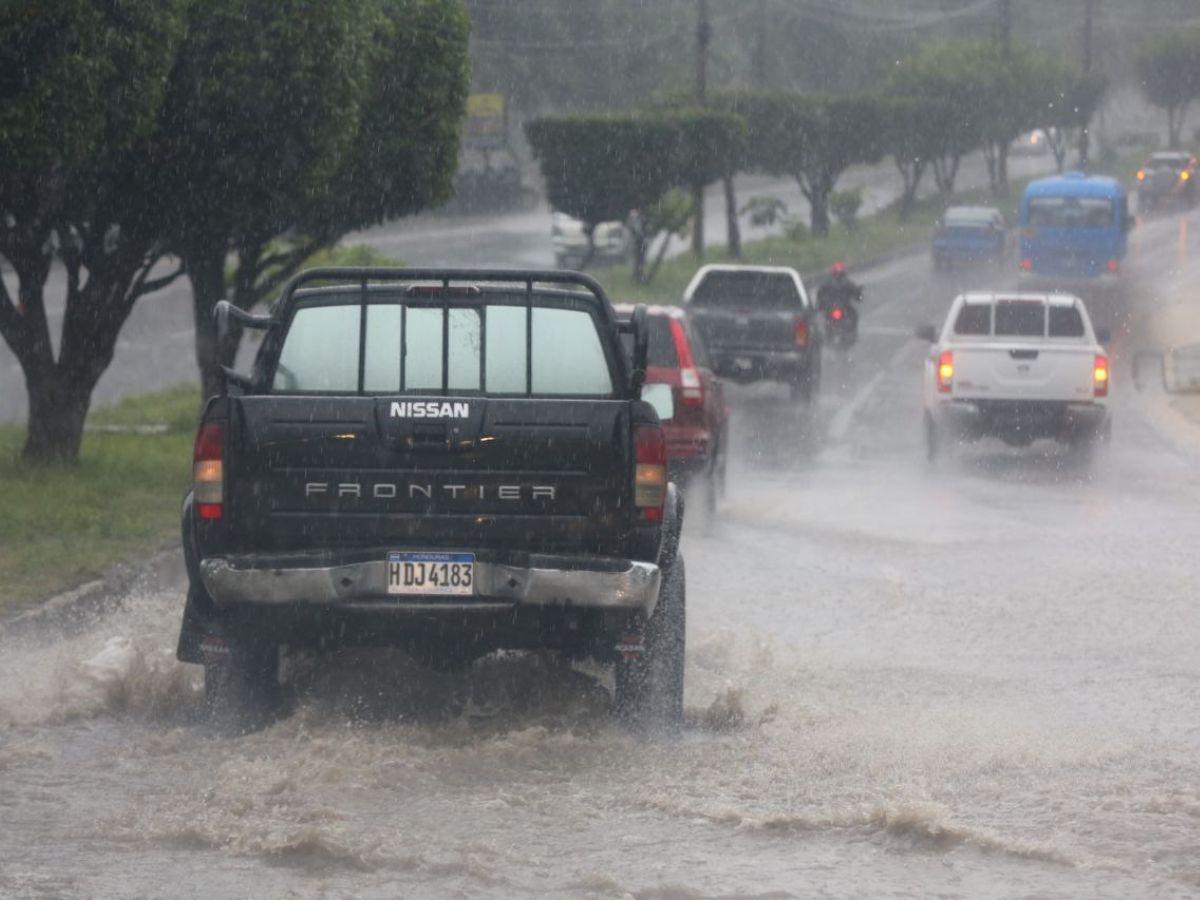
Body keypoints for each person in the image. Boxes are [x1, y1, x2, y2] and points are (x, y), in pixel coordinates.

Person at [817, 262, 863, 329]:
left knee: (853, 315)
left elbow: (820, 293)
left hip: (834, 306)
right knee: (854, 316)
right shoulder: (847, 282)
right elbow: (855, 292)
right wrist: (858, 296)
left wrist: (821, 304)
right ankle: (851, 332)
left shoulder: (827, 282)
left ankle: (830, 330)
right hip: (841, 305)